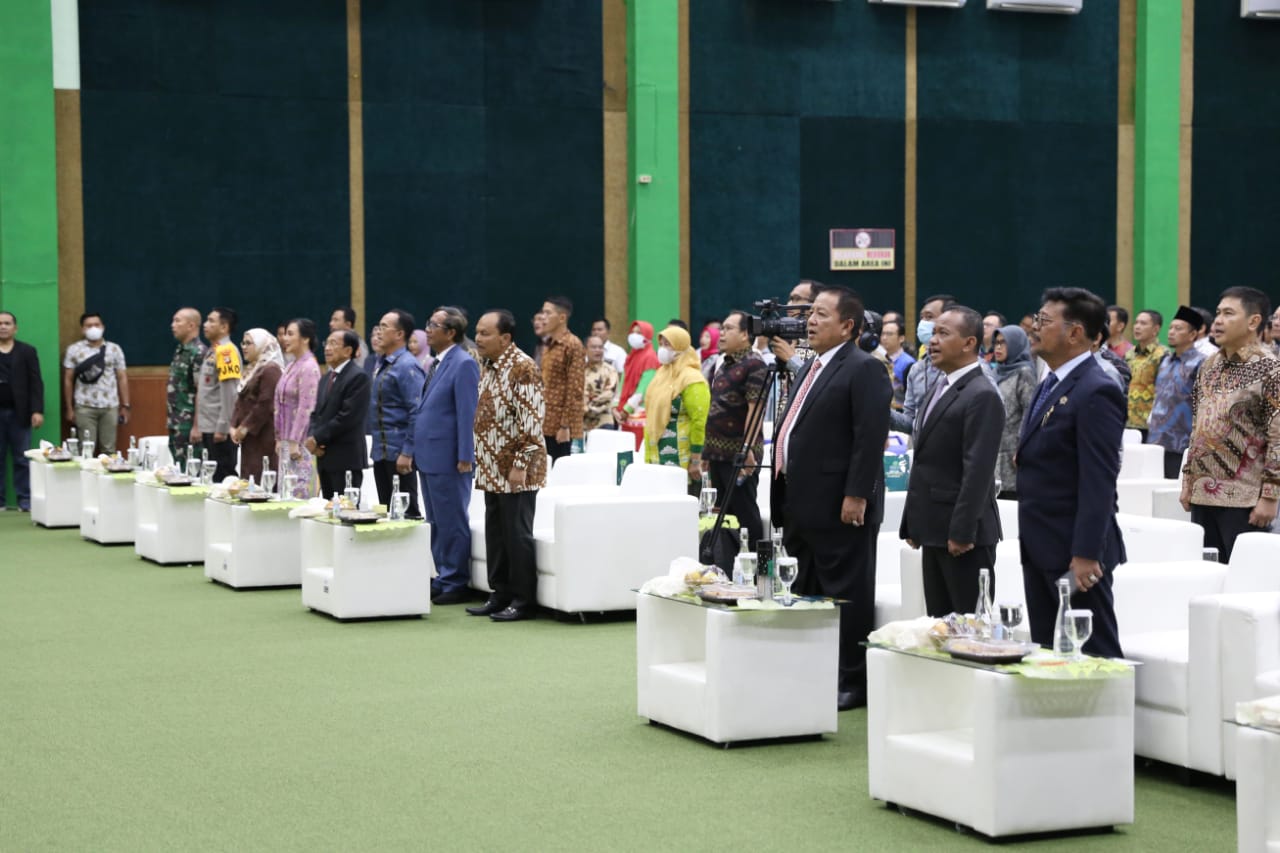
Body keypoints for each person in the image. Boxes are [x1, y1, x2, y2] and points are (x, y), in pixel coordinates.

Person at [772, 286, 890, 711]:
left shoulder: (864, 368)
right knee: (806, 590)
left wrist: (857, 493)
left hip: (842, 505)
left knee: (847, 592)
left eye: (822, 314)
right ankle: (814, 669)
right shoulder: (812, 366)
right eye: (811, 313)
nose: (811, 320)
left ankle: (852, 680)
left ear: (849, 325)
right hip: (801, 502)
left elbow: (869, 436)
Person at [1018, 288, 1125, 659]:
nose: (1035, 327)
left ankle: (1110, 719)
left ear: (1075, 332)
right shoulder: (1051, 381)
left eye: (1045, 321)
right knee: (1050, 651)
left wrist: (1085, 553)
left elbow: (1099, 480)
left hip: (1075, 552)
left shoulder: (1097, 390)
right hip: (1040, 542)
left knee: (1094, 654)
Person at [901, 306, 1005, 617]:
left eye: (943, 333)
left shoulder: (981, 394)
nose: (933, 341)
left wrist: (961, 531)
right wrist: (913, 523)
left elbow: (978, 472)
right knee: (939, 626)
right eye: (932, 333)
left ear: (969, 343)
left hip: (963, 536)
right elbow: (925, 462)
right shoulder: (940, 384)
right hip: (933, 529)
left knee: (969, 627)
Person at [1182, 287, 1280, 560]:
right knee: (1207, 574)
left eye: (1228, 313)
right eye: (1217, 313)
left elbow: (1278, 435)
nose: (1218, 321)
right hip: (1203, 494)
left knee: (1242, 580)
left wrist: (1270, 497)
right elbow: (1197, 426)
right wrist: (1188, 480)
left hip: (1245, 498)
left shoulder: (1271, 369)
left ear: (1253, 322)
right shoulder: (1208, 366)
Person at [466, 310, 548, 623]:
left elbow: (532, 421)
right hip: (490, 466)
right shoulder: (487, 365)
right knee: (496, 533)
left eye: (486, 333)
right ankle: (499, 593)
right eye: (477, 332)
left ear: (506, 338)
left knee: (517, 534)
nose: (478, 338)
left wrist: (521, 463)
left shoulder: (523, 367)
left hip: (517, 469)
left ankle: (524, 600)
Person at [397, 307, 480, 605]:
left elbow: (466, 412)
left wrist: (465, 455)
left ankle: (457, 580)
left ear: (451, 332)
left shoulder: (463, 363)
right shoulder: (435, 362)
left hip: (450, 457)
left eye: (434, 325)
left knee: (452, 519)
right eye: (428, 323)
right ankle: (443, 574)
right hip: (429, 454)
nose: (427, 329)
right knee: (434, 519)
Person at [701, 311, 768, 548]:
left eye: (729, 328)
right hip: (718, 454)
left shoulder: (755, 364)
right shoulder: (723, 364)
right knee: (724, 517)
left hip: (741, 455)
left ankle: (762, 570)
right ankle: (729, 567)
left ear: (745, 334)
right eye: (722, 328)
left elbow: (756, 408)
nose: (722, 334)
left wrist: (748, 448)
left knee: (745, 514)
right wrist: (707, 453)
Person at [891, 294, 999, 434]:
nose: (923, 323)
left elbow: (991, 423)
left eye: (929, 317)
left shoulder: (976, 370)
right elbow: (912, 422)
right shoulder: (917, 369)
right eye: (921, 317)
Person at [369, 309, 426, 517]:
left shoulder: (407, 365)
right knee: (386, 513)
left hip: (400, 455)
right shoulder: (383, 363)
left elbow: (417, 411)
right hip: (382, 452)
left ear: (400, 334)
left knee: (406, 514)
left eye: (384, 327)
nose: (378, 332)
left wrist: (407, 452)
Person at [306, 330, 371, 499]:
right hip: (324, 456)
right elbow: (316, 413)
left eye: (334, 344)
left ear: (348, 351)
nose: (327, 348)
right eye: (326, 343)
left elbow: (347, 417)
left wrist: (317, 439)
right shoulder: (326, 377)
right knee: (327, 512)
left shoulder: (358, 377)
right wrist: (312, 436)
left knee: (345, 511)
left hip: (346, 457)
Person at [642, 326, 710, 486]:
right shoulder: (661, 374)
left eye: (668, 344)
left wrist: (695, 459)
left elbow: (699, 421)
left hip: (682, 457)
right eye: (662, 344)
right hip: (656, 454)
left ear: (680, 346)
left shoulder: (692, 378)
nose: (663, 349)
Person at [1147, 306, 1207, 480]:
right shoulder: (1165, 360)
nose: (1171, 332)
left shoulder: (1201, 362)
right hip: (1156, 440)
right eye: (1171, 328)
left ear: (1192, 334)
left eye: (1178, 329)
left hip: (1180, 442)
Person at [62, 313, 129, 454]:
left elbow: (122, 377)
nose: (93, 328)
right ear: (82, 329)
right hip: (84, 406)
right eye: (89, 325)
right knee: (85, 451)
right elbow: (68, 379)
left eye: (96, 325)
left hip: (110, 406)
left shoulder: (114, 349)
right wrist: (69, 408)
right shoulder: (74, 350)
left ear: (103, 327)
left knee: (109, 450)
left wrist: (126, 405)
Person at [0, 311, 44, 511]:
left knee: (21, 458)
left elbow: (36, 383)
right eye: (0, 323)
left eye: (7, 323)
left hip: (20, 414)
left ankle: (25, 499)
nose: (3, 327)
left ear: (15, 328)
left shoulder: (27, 351)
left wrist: (37, 410)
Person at [274, 318, 322, 498]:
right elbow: (278, 403)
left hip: (301, 443)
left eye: (290, 334)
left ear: (305, 339)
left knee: (300, 495)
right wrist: (279, 437)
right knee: (285, 494)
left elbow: (307, 407)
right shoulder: (291, 366)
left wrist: (295, 440)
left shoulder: (309, 366)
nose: (285, 338)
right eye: (284, 334)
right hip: (287, 441)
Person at [193, 308, 241, 481]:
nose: (206, 325)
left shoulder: (227, 352)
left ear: (224, 327)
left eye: (211, 321)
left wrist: (223, 427)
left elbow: (230, 393)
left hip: (219, 430)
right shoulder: (214, 350)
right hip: (209, 425)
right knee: (211, 478)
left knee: (224, 477)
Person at [230, 329, 284, 482]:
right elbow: (240, 400)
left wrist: (244, 428)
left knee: (261, 477)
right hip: (248, 437)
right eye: (243, 343)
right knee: (248, 477)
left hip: (264, 435)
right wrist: (233, 425)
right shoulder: (252, 368)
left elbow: (265, 404)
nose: (244, 347)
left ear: (262, 345)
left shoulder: (271, 369)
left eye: (249, 343)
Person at [990, 325, 1036, 499]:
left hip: (1014, 453)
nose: (998, 347)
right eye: (996, 343)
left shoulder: (1024, 373)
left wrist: (1022, 448)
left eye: (1004, 343)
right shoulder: (995, 372)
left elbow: (1029, 412)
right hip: (994, 449)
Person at [539, 296, 586, 461]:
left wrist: (565, 425)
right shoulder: (549, 344)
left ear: (562, 318)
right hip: (544, 419)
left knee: (559, 469)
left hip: (560, 426)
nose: (542, 317)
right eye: (542, 312)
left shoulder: (573, 345)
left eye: (547, 313)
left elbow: (575, 389)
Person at [166, 308, 203, 467]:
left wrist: (197, 426)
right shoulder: (180, 350)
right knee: (178, 468)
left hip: (189, 424)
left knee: (191, 470)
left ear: (191, 325)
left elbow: (201, 391)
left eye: (177, 321)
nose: (172, 325)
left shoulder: (198, 352)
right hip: (176, 422)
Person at [615, 320, 660, 450]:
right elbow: (622, 383)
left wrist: (626, 409)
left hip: (639, 414)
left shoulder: (650, 357)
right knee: (624, 454)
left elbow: (643, 389)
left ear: (647, 336)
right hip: (624, 415)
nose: (634, 335)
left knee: (636, 453)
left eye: (639, 333)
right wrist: (615, 406)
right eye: (633, 332)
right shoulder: (631, 357)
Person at [1125, 309, 1167, 439]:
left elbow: (1163, 390)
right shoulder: (1129, 354)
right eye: (1136, 322)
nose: (1137, 327)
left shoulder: (1163, 355)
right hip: (1127, 421)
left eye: (1143, 323)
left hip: (1149, 424)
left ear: (1155, 329)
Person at [583, 335, 619, 432]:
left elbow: (607, 396)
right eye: (594, 347)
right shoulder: (579, 370)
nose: (598, 350)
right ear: (585, 350)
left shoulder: (610, 371)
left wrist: (586, 409)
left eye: (600, 347)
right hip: (580, 424)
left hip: (603, 422)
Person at [880, 318, 914, 411]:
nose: (884, 338)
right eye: (882, 334)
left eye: (889, 334)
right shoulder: (879, 358)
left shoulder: (908, 363)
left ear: (901, 338)